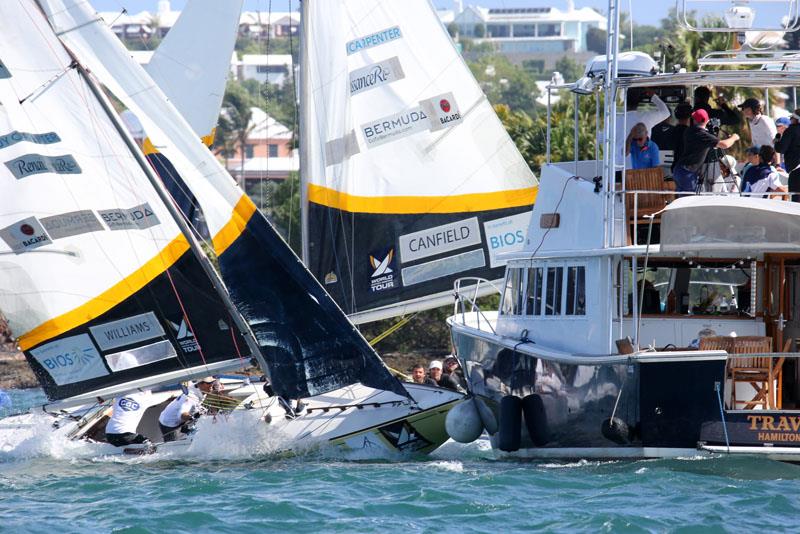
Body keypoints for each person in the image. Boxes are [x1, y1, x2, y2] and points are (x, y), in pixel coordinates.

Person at [673, 109, 740, 192]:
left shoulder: (689, 131)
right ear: (706, 120)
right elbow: (724, 145)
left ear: (694, 120)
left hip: (681, 170)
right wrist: (734, 137)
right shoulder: (702, 134)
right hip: (687, 172)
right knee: (688, 200)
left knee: (682, 199)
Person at [613, 89, 670, 168]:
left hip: (619, 168)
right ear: (640, 101)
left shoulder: (615, 120)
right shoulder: (646, 117)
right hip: (640, 173)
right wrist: (653, 96)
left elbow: (601, 139)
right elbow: (666, 112)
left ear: (624, 100)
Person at [158, 377, 214, 442]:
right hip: (168, 423)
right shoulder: (190, 398)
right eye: (208, 383)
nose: (211, 384)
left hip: (180, 420)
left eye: (212, 382)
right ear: (200, 384)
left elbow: (186, 381)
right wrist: (192, 418)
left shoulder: (196, 387)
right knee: (173, 447)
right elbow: (182, 414)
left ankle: (186, 431)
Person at [774, 109, 800, 201]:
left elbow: (780, 149)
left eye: (792, 118)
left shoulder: (791, 130)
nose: (791, 120)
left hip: (796, 170)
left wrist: (777, 140)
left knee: (796, 200)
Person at [671, 102, 693, 172]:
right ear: (690, 116)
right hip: (685, 170)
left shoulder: (672, 131)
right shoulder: (690, 134)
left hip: (674, 167)